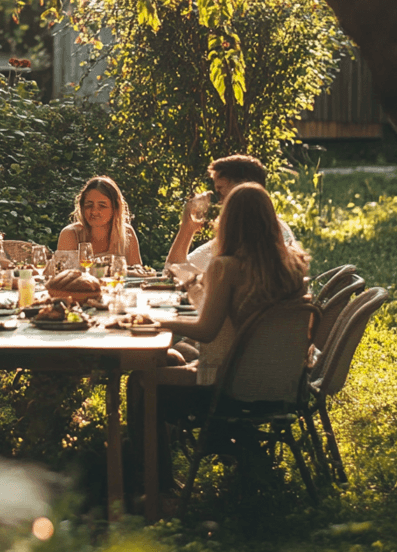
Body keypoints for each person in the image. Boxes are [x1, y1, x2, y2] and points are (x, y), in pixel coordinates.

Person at [129, 183, 310, 499]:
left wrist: (153, 320)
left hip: (229, 389)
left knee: (140, 379)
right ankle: (235, 444)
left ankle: (159, 488)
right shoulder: (293, 262)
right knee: (173, 355)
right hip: (281, 382)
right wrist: (198, 286)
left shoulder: (227, 266)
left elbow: (207, 331)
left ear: (228, 222)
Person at [164, 154, 296, 274]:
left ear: (242, 190)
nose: (220, 202)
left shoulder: (273, 237)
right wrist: (188, 229)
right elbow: (173, 270)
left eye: (221, 191)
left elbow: (175, 271)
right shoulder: (237, 233)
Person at [56, 175, 143, 265]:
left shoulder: (126, 233)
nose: (94, 211)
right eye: (89, 205)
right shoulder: (71, 234)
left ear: (115, 208)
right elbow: (63, 275)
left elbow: (138, 273)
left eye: (102, 206)